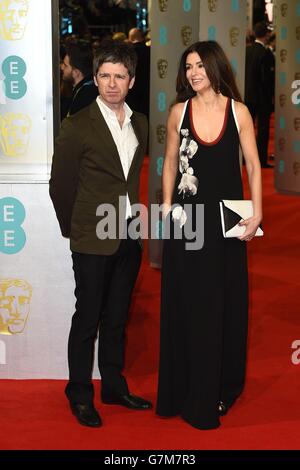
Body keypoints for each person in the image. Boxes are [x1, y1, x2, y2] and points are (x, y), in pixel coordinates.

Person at [156, 41, 262, 430]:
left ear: (215, 67)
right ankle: (183, 386)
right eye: (188, 67)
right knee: (186, 302)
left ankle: (218, 387)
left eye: (200, 65)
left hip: (225, 227)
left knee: (220, 304)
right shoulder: (177, 112)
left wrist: (258, 211)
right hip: (187, 225)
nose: (194, 73)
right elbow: (168, 161)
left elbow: (252, 164)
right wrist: (166, 205)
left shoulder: (239, 112)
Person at [49, 41, 151, 428]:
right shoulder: (76, 125)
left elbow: (130, 179)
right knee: (87, 316)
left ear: (132, 80)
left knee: (117, 316)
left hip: (128, 233)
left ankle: (113, 384)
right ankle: (79, 393)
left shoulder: (140, 122)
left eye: (119, 76)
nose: (111, 84)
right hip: (92, 237)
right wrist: (75, 229)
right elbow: (60, 186)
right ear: (95, 78)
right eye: (104, 76)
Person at [245, 22, 274, 168]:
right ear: (266, 34)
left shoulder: (247, 51)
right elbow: (266, 79)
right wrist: (271, 96)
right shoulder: (265, 53)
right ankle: (261, 159)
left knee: (247, 130)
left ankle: (245, 158)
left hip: (248, 96)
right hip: (262, 98)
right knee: (262, 130)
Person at [60, 41, 99, 119]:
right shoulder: (89, 87)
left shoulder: (83, 98)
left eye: (65, 65)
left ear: (76, 73)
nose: (62, 67)